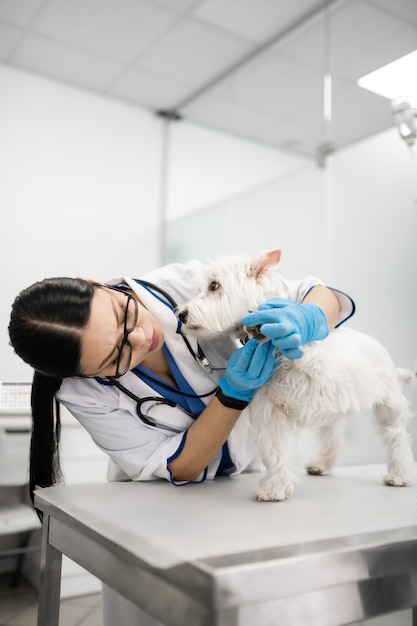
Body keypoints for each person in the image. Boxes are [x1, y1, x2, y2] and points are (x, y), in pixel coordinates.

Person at [8, 256, 354, 625]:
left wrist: (311, 316)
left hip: (249, 485)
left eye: (124, 316)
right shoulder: (82, 392)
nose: (142, 337)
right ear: (83, 375)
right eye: (117, 355)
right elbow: (179, 465)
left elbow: (319, 294)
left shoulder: (185, 282)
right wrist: (233, 394)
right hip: (159, 515)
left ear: (94, 283)